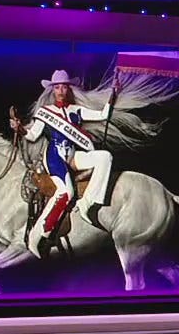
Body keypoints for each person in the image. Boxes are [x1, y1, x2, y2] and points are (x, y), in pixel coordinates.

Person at [11, 70, 121, 234]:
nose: (61, 91)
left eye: (64, 87)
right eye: (57, 88)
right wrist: (20, 129)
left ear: (68, 89)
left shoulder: (76, 110)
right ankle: (42, 231)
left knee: (105, 157)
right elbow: (32, 135)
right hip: (54, 158)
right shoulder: (45, 112)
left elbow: (103, 115)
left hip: (72, 156)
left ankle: (87, 203)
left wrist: (114, 93)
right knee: (66, 192)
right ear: (52, 90)